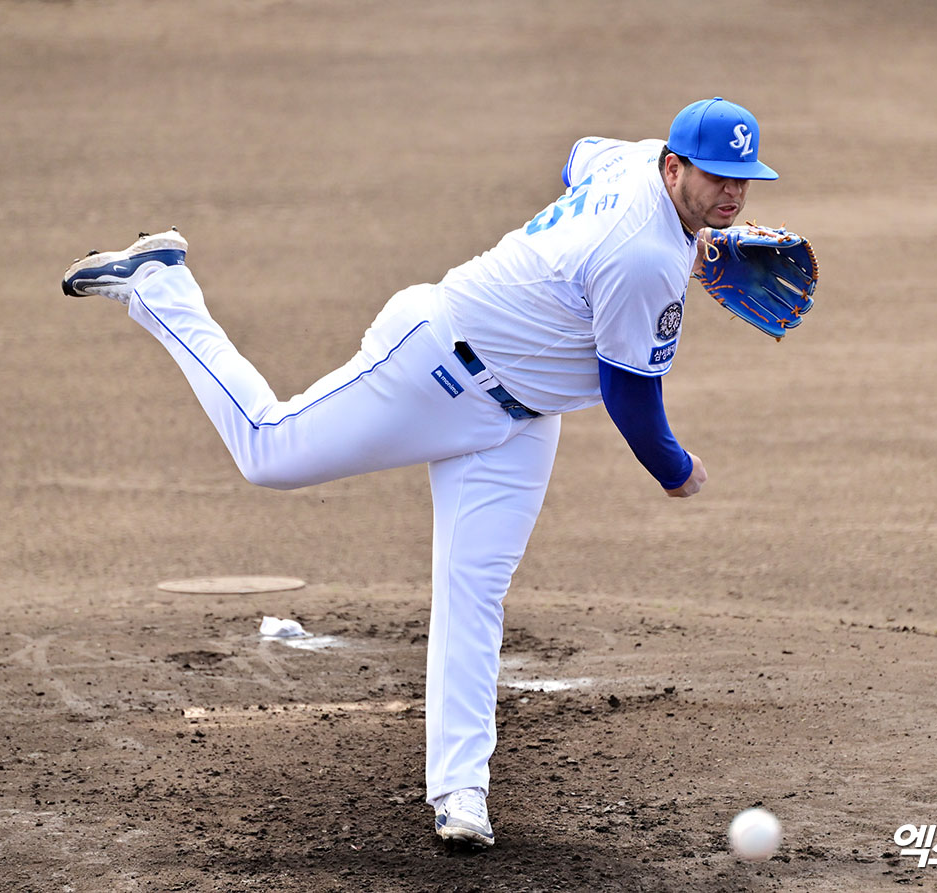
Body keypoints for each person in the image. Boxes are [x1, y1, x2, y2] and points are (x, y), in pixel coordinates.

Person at [61, 96, 781, 848]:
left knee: (475, 592)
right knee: (267, 451)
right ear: (675, 167)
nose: (732, 193)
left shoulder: (632, 158)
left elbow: (578, 158)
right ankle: (161, 285)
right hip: (433, 366)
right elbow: (630, 397)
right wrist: (676, 469)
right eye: (715, 177)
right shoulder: (644, 261)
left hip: (519, 421)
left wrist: (658, 243)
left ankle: (461, 792)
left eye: (743, 179)